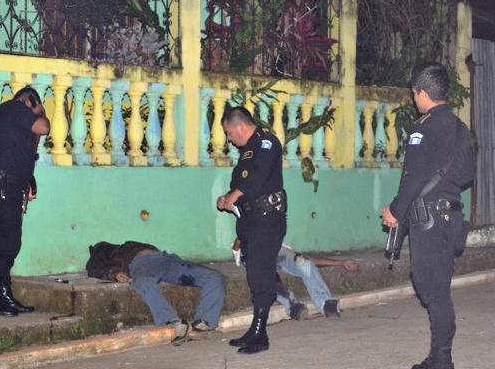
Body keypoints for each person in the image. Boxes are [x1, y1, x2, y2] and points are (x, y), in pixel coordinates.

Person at [382, 63, 474, 369]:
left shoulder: (424, 127)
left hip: (430, 219)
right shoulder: (462, 129)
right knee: (438, 287)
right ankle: (438, 355)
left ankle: (443, 358)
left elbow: (413, 176)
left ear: (421, 92)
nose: (413, 98)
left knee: (429, 287)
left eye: (414, 93)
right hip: (452, 216)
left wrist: (396, 210)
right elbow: (467, 175)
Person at [217, 107, 286, 354]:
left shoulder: (267, 143)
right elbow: (240, 182)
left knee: (260, 273)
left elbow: (258, 178)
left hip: (268, 218)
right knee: (255, 273)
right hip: (251, 219)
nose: (229, 138)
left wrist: (235, 194)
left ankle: (260, 333)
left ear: (240, 127)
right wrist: (227, 197)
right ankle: (255, 330)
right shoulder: (247, 151)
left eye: (228, 133)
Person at [0, 86, 50, 317]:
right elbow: (44, 127)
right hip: (1, 189)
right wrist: (41, 113)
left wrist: (27, 180)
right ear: (29, 101)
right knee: (6, 245)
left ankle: (0, 295)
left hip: (3, 188)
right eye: (36, 107)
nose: (38, 113)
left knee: (5, 245)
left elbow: (25, 153)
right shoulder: (13, 108)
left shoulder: (10, 118)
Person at [86, 241, 225, 346]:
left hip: (167, 258)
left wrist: (114, 271)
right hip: (141, 263)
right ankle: (174, 322)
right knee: (143, 283)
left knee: (214, 277)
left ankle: (204, 323)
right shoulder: (100, 251)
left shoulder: (119, 248)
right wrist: (114, 273)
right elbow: (93, 267)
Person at [232, 238, 359, 320]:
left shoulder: (279, 244)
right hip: (253, 256)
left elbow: (311, 261)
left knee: (304, 263)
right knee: (267, 276)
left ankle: (325, 303)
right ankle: (292, 306)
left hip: (275, 249)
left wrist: (341, 263)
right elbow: (237, 244)